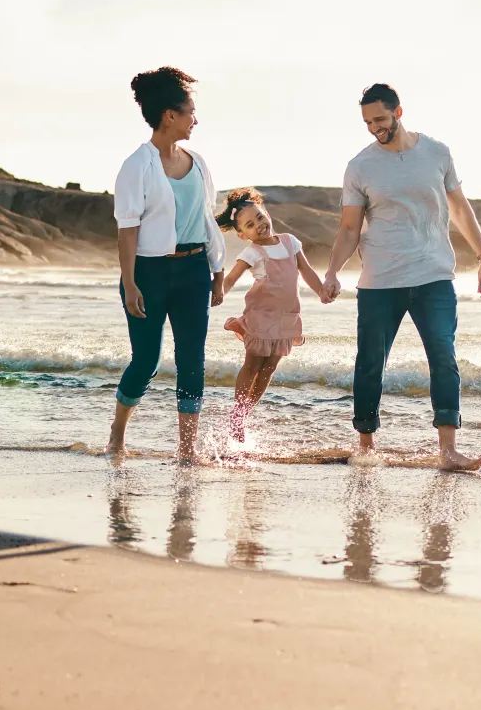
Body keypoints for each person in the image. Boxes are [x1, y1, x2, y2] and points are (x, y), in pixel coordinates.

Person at [321, 82, 481, 472]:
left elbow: (462, 209)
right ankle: (366, 446)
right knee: (370, 363)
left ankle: (448, 451)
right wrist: (333, 270)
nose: (373, 128)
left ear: (399, 112)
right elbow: (349, 229)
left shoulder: (436, 153)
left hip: (434, 274)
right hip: (380, 280)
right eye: (367, 122)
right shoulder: (360, 166)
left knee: (444, 358)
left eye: (380, 119)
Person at [108, 67, 227, 460]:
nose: (196, 119)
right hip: (149, 272)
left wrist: (218, 272)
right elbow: (127, 229)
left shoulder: (199, 162)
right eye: (190, 111)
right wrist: (130, 284)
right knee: (146, 361)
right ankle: (118, 435)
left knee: (192, 359)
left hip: (194, 270)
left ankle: (187, 450)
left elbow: (206, 220)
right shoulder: (137, 165)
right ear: (169, 115)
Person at [216, 188, 330, 442]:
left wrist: (321, 290)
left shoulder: (290, 241)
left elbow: (307, 271)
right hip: (261, 317)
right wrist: (218, 293)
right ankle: (237, 414)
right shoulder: (252, 253)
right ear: (242, 234)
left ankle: (244, 414)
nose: (258, 225)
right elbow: (231, 278)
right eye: (249, 224)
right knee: (253, 364)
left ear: (266, 213)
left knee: (269, 368)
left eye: (259, 218)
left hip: (287, 316)